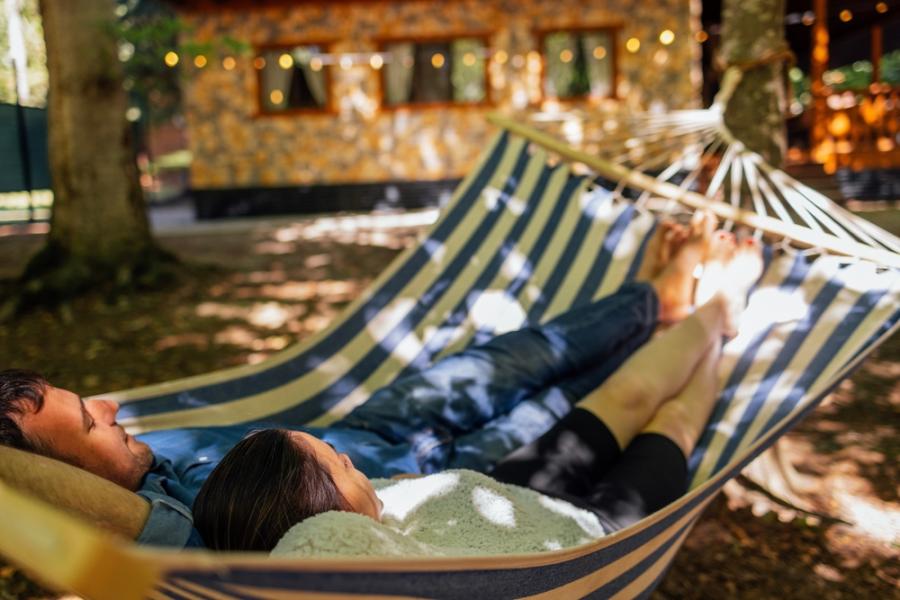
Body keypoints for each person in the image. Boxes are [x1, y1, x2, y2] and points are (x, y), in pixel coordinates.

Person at [0, 213, 727, 548]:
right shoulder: (153, 537)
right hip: (446, 480)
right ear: (70, 488)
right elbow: (39, 496)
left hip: (367, 429)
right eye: (88, 423)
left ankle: (656, 303)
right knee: (560, 401)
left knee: (525, 353)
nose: (111, 404)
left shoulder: (140, 462)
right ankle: (665, 316)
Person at [192, 226, 764, 554]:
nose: (346, 456)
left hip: (507, 491)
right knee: (672, 425)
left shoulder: (374, 511)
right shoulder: (378, 562)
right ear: (329, 521)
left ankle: (701, 312)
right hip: (588, 536)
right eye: (337, 464)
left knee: (631, 394)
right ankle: (720, 314)